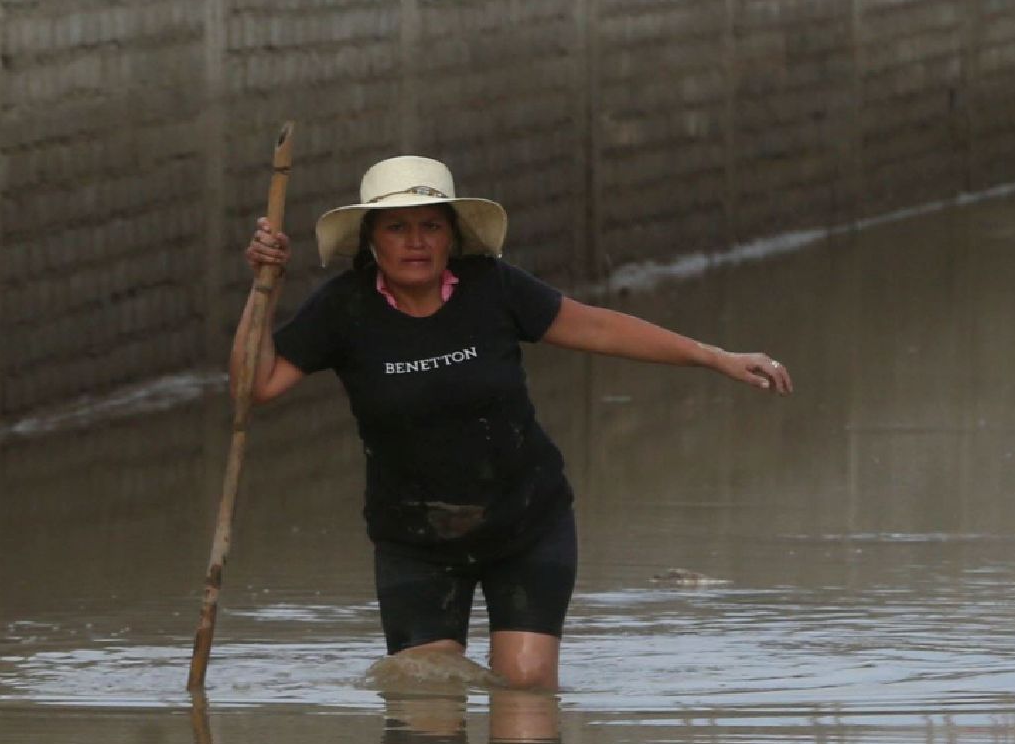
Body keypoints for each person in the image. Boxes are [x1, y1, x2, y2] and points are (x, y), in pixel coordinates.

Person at [235, 155, 792, 690]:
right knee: (426, 697)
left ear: (452, 235)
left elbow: (597, 328)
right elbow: (252, 386)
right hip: (415, 537)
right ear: (370, 240)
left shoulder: (492, 287)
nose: (416, 241)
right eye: (397, 227)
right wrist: (267, 286)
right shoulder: (343, 308)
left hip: (526, 522)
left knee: (524, 690)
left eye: (431, 225)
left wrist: (714, 356)